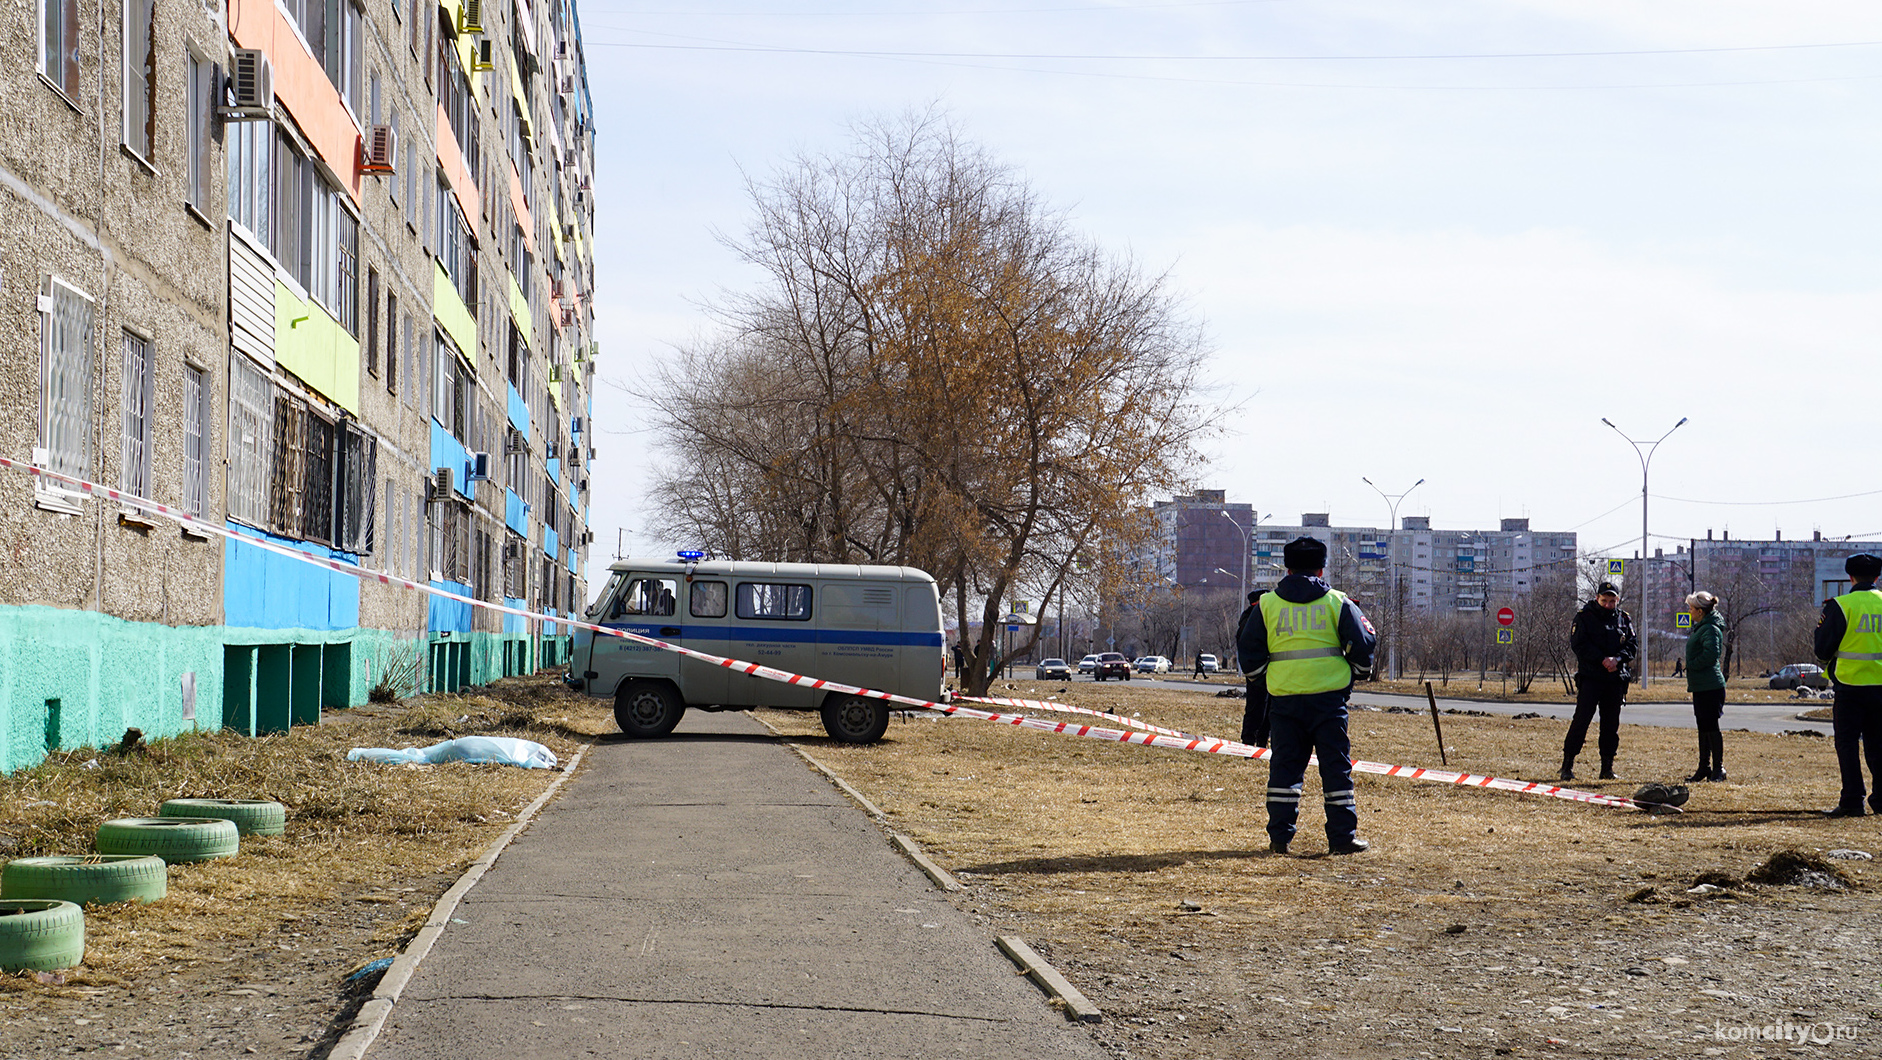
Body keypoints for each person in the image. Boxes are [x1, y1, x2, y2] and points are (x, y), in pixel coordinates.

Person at [1237, 537, 1377, 856]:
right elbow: (1364, 641)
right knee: (1335, 770)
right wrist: (1355, 672)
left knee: (1285, 771)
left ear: (1286, 568)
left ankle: (1279, 839)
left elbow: (1249, 650)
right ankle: (1342, 838)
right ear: (1321, 567)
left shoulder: (1268, 605)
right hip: (1329, 702)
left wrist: (1266, 680)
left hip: (1285, 702)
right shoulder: (1337, 602)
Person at [1814, 553, 1882, 818]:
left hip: (1850, 687)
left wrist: (1830, 666)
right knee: (1879, 745)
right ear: (1877, 577)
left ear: (1850, 577)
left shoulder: (1841, 606)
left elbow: (1822, 649)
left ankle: (1853, 800)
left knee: (1847, 744)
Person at [1561, 582, 1637, 782]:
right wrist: (1602, 659)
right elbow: (1578, 644)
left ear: (1617, 600)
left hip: (1614, 679)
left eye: (1612, 601)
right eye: (1604, 600)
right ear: (1597, 598)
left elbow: (1632, 645)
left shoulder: (1623, 619)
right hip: (1592, 678)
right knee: (1581, 721)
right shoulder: (1585, 617)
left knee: (1611, 725)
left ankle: (1607, 768)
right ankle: (1567, 765)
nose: (1608, 604)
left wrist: (1617, 659)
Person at [1683, 591, 1727, 782]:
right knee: (1703, 726)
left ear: (1700, 611)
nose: (1689, 611)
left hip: (1710, 686)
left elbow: (1711, 655)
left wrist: (1691, 665)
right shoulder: (1702, 626)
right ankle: (1704, 767)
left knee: (1711, 726)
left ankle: (1718, 768)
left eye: (1691, 608)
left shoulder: (1709, 628)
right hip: (1701, 686)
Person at [1235, 589, 1270, 748]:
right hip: (1258, 670)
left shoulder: (1254, 617)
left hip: (1267, 669)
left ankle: (1262, 742)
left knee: (1268, 708)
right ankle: (1249, 743)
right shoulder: (1251, 618)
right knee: (1257, 708)